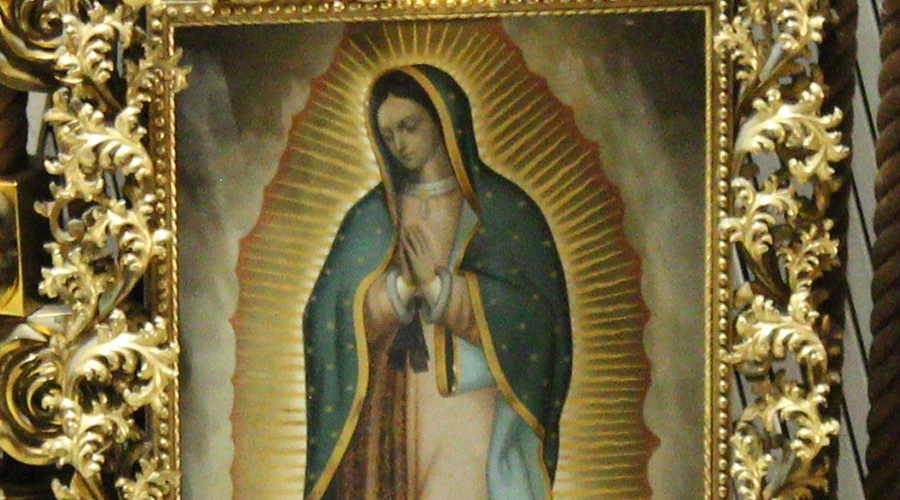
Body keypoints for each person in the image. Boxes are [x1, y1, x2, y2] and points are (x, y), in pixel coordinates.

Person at [303, 65, 572, 500]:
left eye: (409, 126)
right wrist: (400, 290)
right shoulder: (371, 216)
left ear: (445, 119)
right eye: (388, 134)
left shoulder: (503, 210)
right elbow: (327, 317)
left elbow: (538, 322)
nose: (399, 143)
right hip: (390, 409)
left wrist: (438, 289)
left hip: (470, 406)